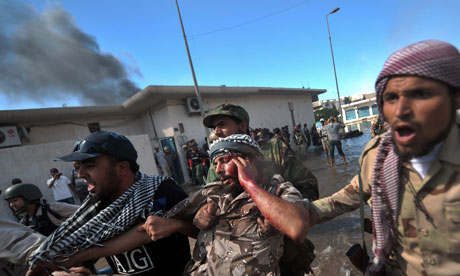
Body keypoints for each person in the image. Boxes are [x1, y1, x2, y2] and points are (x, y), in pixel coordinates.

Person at [307, 40, 460, 275]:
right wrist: (303, 212)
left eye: (420, 94)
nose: (400, 110)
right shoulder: (378, 155)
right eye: (391, 98)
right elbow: (349, 196)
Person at [28, 131, 192, 276]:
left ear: (122, 168)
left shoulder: (161, 192)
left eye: (90, 166)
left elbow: (202, 229)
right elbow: (87, 253)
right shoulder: (95, 206)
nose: (80, 174)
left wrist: (175, 224)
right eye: (79, 167)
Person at [164, 134, 310, 275]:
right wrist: (188, 222)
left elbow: (297, 227)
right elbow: (167, 219)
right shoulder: (214, 192)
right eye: (215, 164)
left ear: (252, 160)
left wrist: (249, 184)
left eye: (224, 160)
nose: (218, 170)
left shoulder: (277, 191)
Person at [203, 103, 318, 200]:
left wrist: (289, 210)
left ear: (242, 125)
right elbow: (210, 198)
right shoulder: (216, 164)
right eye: (214, 128)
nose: (216, 132)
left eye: (222, 124)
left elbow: (308, 185)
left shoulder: (274, 149)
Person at [3, 183, 79, 236]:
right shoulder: (24, 221)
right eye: (9, 202)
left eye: (15, 200)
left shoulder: (53, 208)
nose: (12, 205)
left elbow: (86, 210)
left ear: (28, 197)